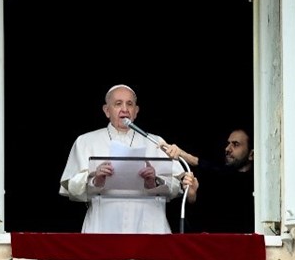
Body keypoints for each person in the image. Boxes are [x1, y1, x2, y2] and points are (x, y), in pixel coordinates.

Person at [59, 84, 199, 234]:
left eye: (129, 104)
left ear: (136, 111)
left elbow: (176, 188)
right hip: (103, 225)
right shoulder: (86, 141)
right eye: (118, 104)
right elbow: (72, 189)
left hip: (150, 225)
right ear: (107, 111)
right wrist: (96, 179)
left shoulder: (156, 142)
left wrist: (154, 182)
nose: (124, 109)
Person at [162, 128, 254, 233]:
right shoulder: (215, 182)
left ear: (251, 154)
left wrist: (183, 154)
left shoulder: (258, 185)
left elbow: (218, 170)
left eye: (236, 144)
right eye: (228, 143)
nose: (228, 148)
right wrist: (192, 197)